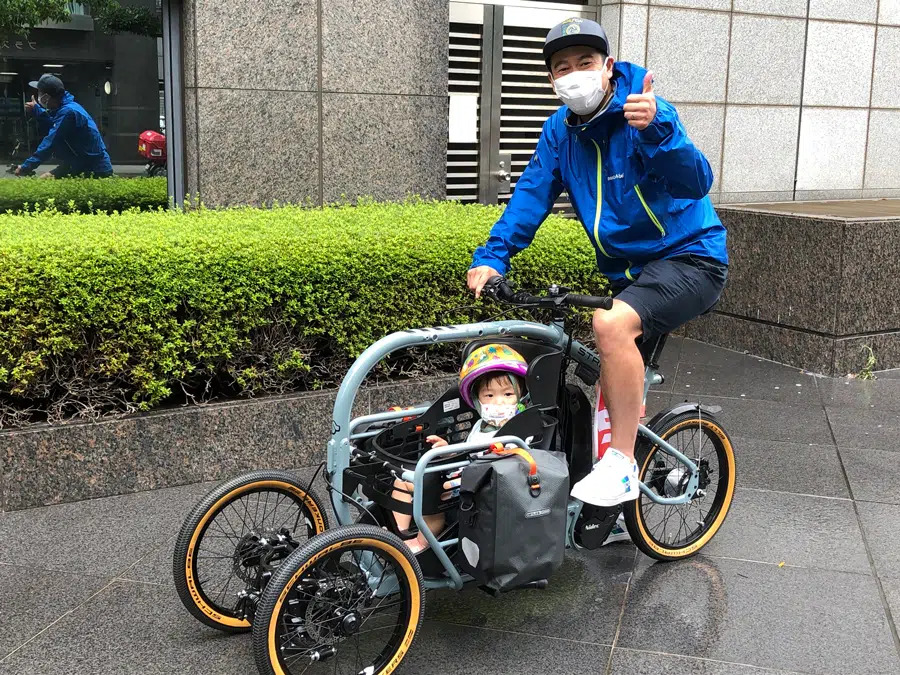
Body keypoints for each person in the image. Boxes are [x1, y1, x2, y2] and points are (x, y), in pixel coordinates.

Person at [467, 18, 727, 511]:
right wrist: (493, 257)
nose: (574, 75)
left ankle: (623, 464)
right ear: (551, 80)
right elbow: (530, 197)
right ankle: (609, 492)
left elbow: (696, 183)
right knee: (599, 365)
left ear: (607, 66)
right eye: (562, 67)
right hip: (628, 274)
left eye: (584, 62)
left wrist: (659, 130)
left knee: (610, 325)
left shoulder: (645, 112)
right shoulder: (559, 132)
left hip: (691, 258)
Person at [392, 344, 529, 553]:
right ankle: (399, 534)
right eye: (489, 396)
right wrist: (449, 450)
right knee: (402, 481)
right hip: (463, 472)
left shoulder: (518, 430)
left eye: (508, 394)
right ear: (477, 399)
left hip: (481, 484)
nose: (499, 402)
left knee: (433, 491)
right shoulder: (480, 425)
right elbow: (467, 452)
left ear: (520, 397)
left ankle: (422, 542)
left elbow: (516, 463)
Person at [15, 74, 113, 179]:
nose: (38, 96)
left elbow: (51, 142)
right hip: (80, 162)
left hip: (93, 167)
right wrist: (37, 110)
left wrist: (26, 166)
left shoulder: (68, 112)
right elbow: (56, 124)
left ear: (46, 97)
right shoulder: (67, 108)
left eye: (39, 93)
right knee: (45, 179)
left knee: (44, 181)